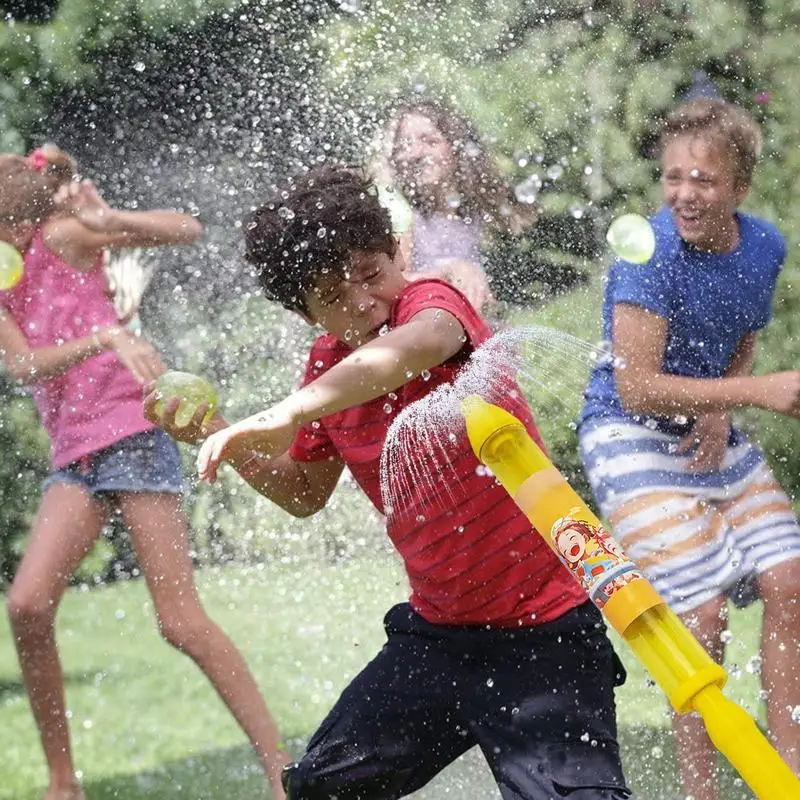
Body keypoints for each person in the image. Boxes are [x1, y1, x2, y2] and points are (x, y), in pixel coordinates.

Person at [147, 163, 633, 800]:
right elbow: (303, 493)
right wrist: (227, 434)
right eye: (332, 297)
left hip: (544, 634)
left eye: (371, 274)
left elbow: (407, 350)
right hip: (439, 638)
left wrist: (287, 414)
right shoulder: (327, 368)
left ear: (397, 253)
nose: (364, 302)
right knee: (318, 788)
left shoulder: (432, 304)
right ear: (304, 313)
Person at [0, 146, 288, 800]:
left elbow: (187, 229)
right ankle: (63, 785)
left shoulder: (63, 236)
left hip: (132, 431)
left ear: (21, 224)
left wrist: (108, 216)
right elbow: (23, 366)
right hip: (76, 454)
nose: (13, 240)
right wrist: (103, 338)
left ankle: (281, 772)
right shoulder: (0, 282)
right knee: (26, 604)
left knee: (179, 622)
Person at [577, 98, 800, 800]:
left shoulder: (764, 245)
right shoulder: (647, 251)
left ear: (738, 187)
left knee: (790, 582)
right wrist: (755, 392)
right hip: (628, 432)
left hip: (703, 417)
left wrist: (729, 394)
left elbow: (742, 334)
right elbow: (638, 389)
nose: (684, 195)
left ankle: (791, 773)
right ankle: (698, 791)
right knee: (701, 614)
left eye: (704, 180)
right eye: (672, 177)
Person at [384, 99, 598, 312]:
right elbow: (395, 283)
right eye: (405, 145)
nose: (415, 154)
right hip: (423, 316)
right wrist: (450, 271)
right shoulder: (402, 212)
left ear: (458, 149)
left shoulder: (476, 209)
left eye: (430, 142)